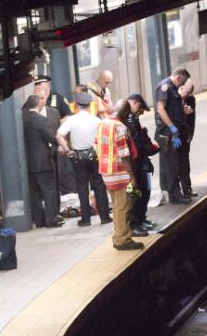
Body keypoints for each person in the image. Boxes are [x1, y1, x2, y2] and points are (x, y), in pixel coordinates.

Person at [56, 92, 112, 227]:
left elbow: (59, 135)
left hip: (78, 157)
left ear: (76, 105)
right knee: (99, 185)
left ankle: (86, 219)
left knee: (82, 188)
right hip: (95, 155)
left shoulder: (72, 120)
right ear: (89, 105)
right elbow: (105, 135)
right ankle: (104, 217)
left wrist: (68, 150)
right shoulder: (95, 120)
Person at [95, 99, 143, 250]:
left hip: (106, 171)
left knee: (116, 206)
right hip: (120, 173)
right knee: (123, 206)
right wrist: (132, 177)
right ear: (126, 112)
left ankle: (117, 236)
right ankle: (123, 240)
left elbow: (96, 145)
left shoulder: (102, 124)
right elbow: (124, 154)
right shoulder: (120, 127)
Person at [22, 95, 64, 228]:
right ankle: (51, 220)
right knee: (49, 191)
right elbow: (51, 137)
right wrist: (61, 145)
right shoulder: (41, 119)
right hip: (43, 162)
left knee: (34, 194)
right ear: (39, 105)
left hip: (27, 163)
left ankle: (39, 221)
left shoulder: (21, 119)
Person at [154, 67, 191, 205]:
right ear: (179, 78)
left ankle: (177, 192)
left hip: (176, 132)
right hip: (167, 133)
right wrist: (172, 127)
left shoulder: (174, 89)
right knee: (172, 164)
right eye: (183, 82)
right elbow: (161, 109)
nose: (182, 86)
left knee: (178, 162)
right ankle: (174, 195)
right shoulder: (165, 88)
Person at [125, 93, 160, 237]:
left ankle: (141, 219)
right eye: (140, 107)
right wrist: (151, 149)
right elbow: (137, 143)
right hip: (135, 164)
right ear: (133, 103)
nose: (140, 111)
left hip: (141, 162)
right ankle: (134, 224)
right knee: (136, 194)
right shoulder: (128, 120)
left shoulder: (134, 119)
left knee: (145, 192)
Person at [178, 79, 197, 198]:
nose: (187, 94)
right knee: (175, 164)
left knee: (185, 163)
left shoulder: (191, 99)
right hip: (174, 136)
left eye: (190, 92)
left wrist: (191, 134)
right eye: (186, 91)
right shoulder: (173, 98)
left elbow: (192, 118)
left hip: (185, 135)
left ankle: (187, 188)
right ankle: (174, 191)